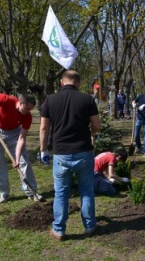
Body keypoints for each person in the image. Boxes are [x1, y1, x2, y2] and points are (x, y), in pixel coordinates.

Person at [39, 70, 101, 241]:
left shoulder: (50, 100)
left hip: (61, 154)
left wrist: (43, 150)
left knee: (61, 193)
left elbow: (44, 128)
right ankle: (90, 227)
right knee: (87, 191)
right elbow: (96, 125)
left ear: (61, 82)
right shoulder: (87, 99)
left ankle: (59, 230)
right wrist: (93, 132)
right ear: (78, 83)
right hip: (83, 152)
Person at [0, 90, 43, 204]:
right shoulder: (6, 99)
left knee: (24, 162)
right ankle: (4, 194)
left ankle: (32, 192)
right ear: (21, 103)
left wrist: (17, 159)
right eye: (27, 108)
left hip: (14, 132)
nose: (28, 112)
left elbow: (21, 138)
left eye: (30, 110)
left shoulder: (27, 117)